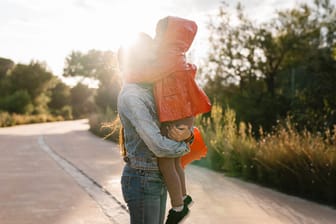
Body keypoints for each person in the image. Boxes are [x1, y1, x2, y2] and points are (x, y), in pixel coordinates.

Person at [123, 16, 212, 223]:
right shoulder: (179, 56)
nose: (156, 39)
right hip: (185, 113)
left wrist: (131, 75)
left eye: (158, 34)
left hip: (175, 113)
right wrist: (188, 137)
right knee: (175, 162)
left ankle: (178, 206)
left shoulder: (167, 57)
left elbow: (149, 73)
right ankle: (183, 196)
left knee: (166, 162)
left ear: (168, 35)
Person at [117, 33, 194, 224]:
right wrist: (185, 146)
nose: (157, 62)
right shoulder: (132, 96)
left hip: (156, 177)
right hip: (142, 179)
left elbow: (174, 121)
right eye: (151, 57)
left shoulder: (154, 88)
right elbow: (158, 145)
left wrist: (187, 134)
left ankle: (181, 202)